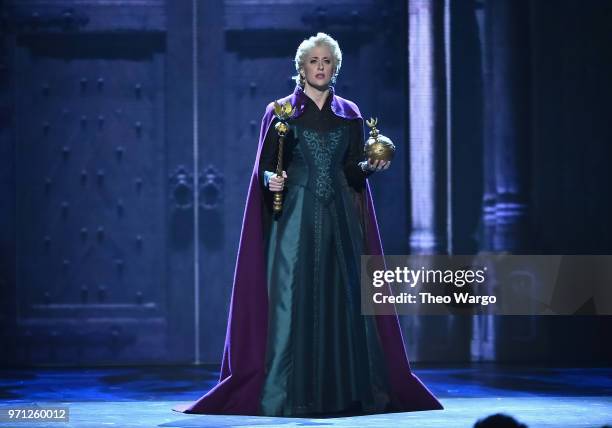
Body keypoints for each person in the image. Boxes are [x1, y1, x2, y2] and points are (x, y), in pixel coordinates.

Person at [174, 32, 442, 417]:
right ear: (300, 68)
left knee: (343, 297)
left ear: (335, 67)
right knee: (291, 298)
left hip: (340, 218)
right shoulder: (281, 111)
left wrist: (370, 166)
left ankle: (346, 393)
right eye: (313, 61)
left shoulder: (350, 113)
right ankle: (289, 393)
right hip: (293, 218)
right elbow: (265, 169)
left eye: (326, 61)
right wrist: (272, 180)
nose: (320, 67)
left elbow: (352, 168)